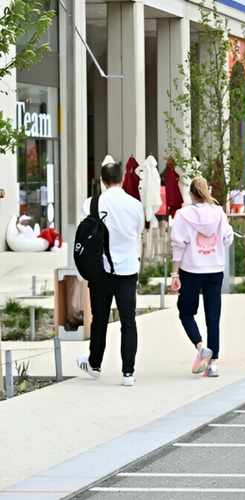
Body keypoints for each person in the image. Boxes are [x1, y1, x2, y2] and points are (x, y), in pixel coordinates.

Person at [75, 162, 144, 386]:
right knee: (128, 321)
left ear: (103, 181)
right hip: (128, 269)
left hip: (101, 270)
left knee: (100, 319)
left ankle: (95, 363)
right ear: (122, 179)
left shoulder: (91, 203)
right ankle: (128, 373)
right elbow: (137, 232)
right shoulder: (135, 205)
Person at [170, 176, 234, 377]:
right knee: (213, 316)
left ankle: (200, 347)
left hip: (191, 270)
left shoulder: (182, 215)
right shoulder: (219, 213)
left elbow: (178, 245)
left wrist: (174, 273)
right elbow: (227, 239)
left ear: (190, 193)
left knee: (186, 312)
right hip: (215, 269)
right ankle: (213, 363)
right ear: (207, 192)